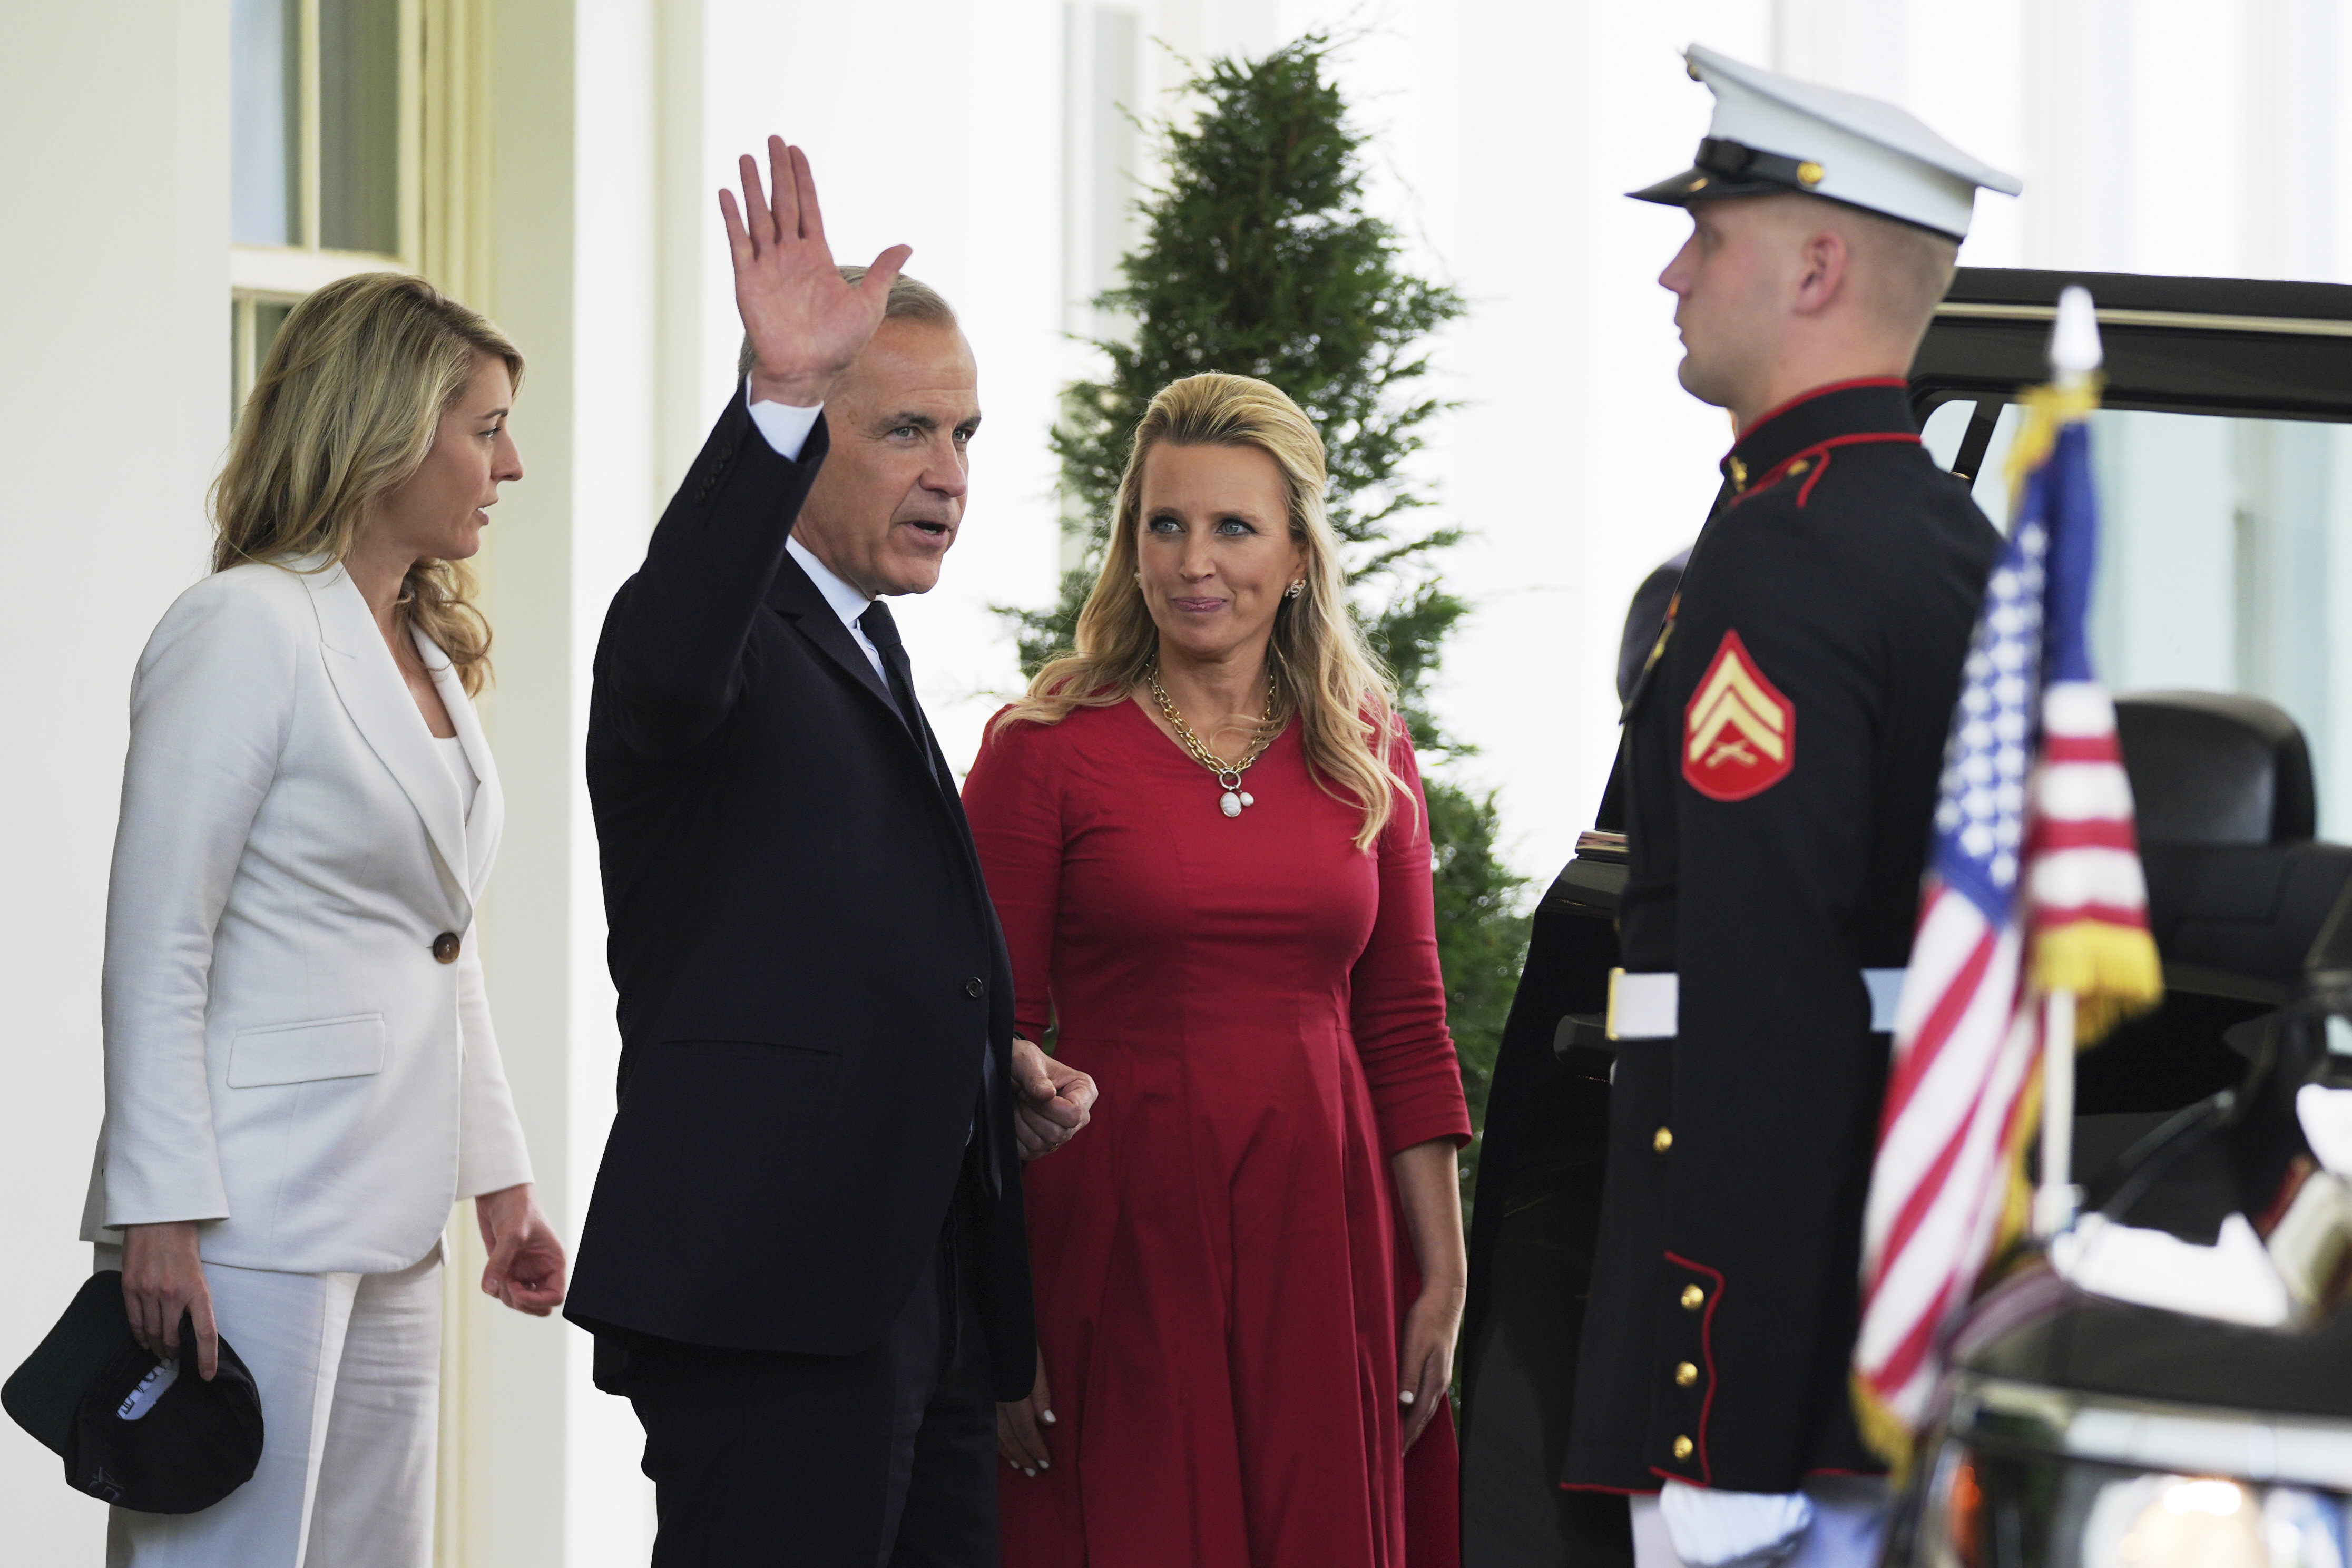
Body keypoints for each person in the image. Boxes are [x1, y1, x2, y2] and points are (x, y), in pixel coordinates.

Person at [562, 139, 1096, 1567]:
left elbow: (844, 933)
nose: (950, 475)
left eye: (968, 434)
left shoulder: (867, 640)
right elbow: (678, 639)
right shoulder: (710, 634)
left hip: (922, 1291)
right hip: (772, 1294)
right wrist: (781, 396)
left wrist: (993, 1071)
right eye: (906, 432)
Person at [1556, 45, 2019, 1568]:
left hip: (1771, 1367)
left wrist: (1720, 1411)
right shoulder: (1947, 539)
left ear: (1820, 264)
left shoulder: (1787, 549)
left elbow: (1771, 998)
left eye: (1712, 233)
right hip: (1885, 1311)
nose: (1673, 273)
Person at [81, 270, 566, 1566]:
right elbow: (157, 943)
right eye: (484, 425)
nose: (510, 462)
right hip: (247, 1212)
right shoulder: (241, 626)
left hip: (395, 1210)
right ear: (386, 425)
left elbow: (439, 945)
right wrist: (159, 1212)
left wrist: (501, 1183)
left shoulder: (422, 648)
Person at [965, 372, 1474, 1566]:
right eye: (1166, 524)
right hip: (1117, 1241)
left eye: (1234, 527)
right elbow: (986, 1046)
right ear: (1130, 544)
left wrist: (1442, 1276)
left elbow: (1404, 1021)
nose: (1196, 560)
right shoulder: (1043, 751)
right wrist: (999, 1317)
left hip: (1329, 1238)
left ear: (1298, 551)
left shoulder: (1365, 744)